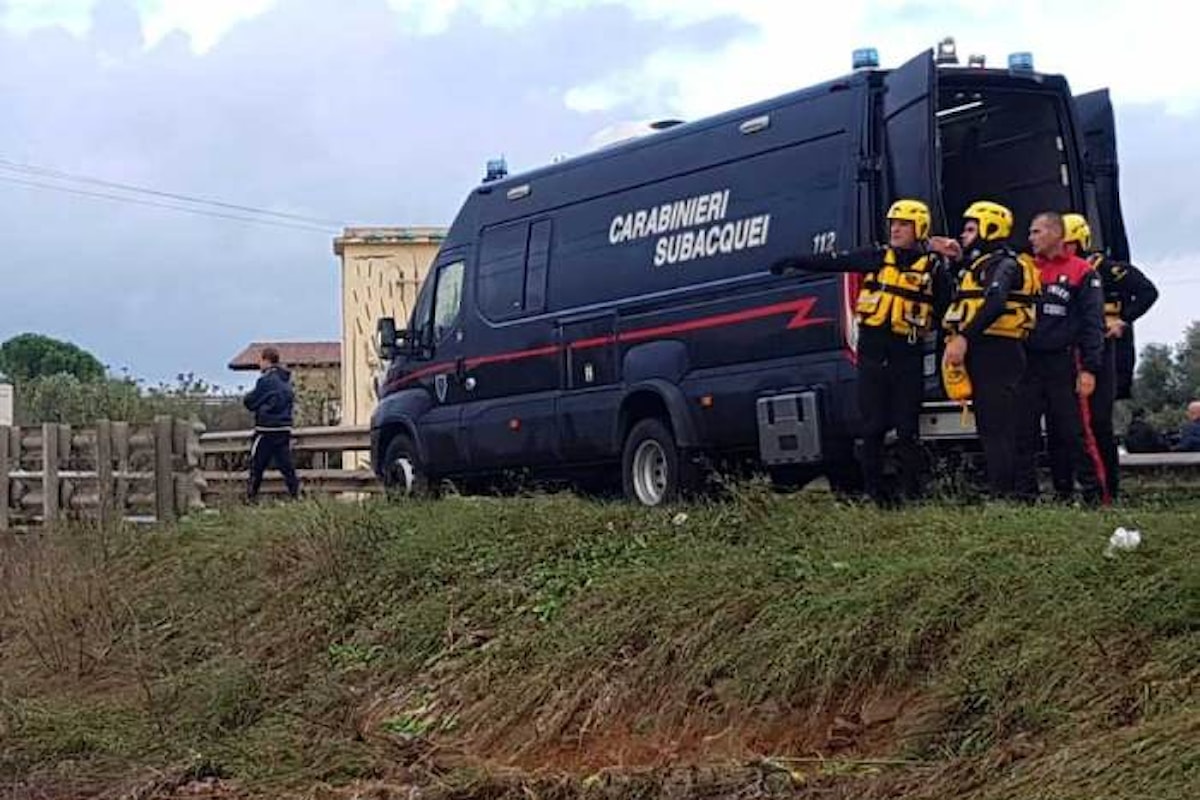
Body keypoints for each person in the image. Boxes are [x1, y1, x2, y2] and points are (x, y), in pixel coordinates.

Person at [771, 199, 957, 505]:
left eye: (903, 224)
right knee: (871, 428)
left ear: (919, 228)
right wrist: (793, 260)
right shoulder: (876, 257)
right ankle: (876, 495)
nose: (895, 229)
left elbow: (946, 307)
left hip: (906, 353)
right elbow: (834, 261)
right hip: (873, 352)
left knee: (907, 429)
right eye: (893, 224)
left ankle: (912, 495)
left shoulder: (934, 269)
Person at [938, 200, 1039, 500]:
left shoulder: (1004, 264)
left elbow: (994, 303)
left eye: (971, 229)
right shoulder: (980, 265)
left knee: (998, 428)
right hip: (987, 350)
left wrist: (964, 338)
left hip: (999, 351)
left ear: (990, 227)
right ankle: (1010, 492)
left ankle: (1007, 495)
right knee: (991, 426)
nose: (964, 235)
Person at [1063, 213, 1159, 499]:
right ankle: (1079, 485)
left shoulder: (1107, 269)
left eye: (1068, 244)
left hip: (1104, 351)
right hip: (1072, 350)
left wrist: (1124, 320)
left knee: (1099, 422)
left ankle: (1109, 489)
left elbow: (1147, 292)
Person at [1015, 212, 1107, 505]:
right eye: (1031, 232)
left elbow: (1094, 324)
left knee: (1075, 433)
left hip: (1065, 361)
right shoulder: (1024, 268)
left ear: (1056, 233)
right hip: (1028, 361)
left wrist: (1090, 368)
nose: (1031, 238)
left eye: (1037, 231)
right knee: (1024, 432)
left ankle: (1095, 497)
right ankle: (1026, 498)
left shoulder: (1082, 271)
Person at [243, 347, 301, 500]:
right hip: (284, 429)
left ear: (266, 361)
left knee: (257, 466)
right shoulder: (286, 380)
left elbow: (250, 401)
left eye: (260, 360)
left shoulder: (265, 381)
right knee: (287, 467)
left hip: (266, 429)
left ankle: (251, 498)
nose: (259, 364)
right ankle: (296, 496)